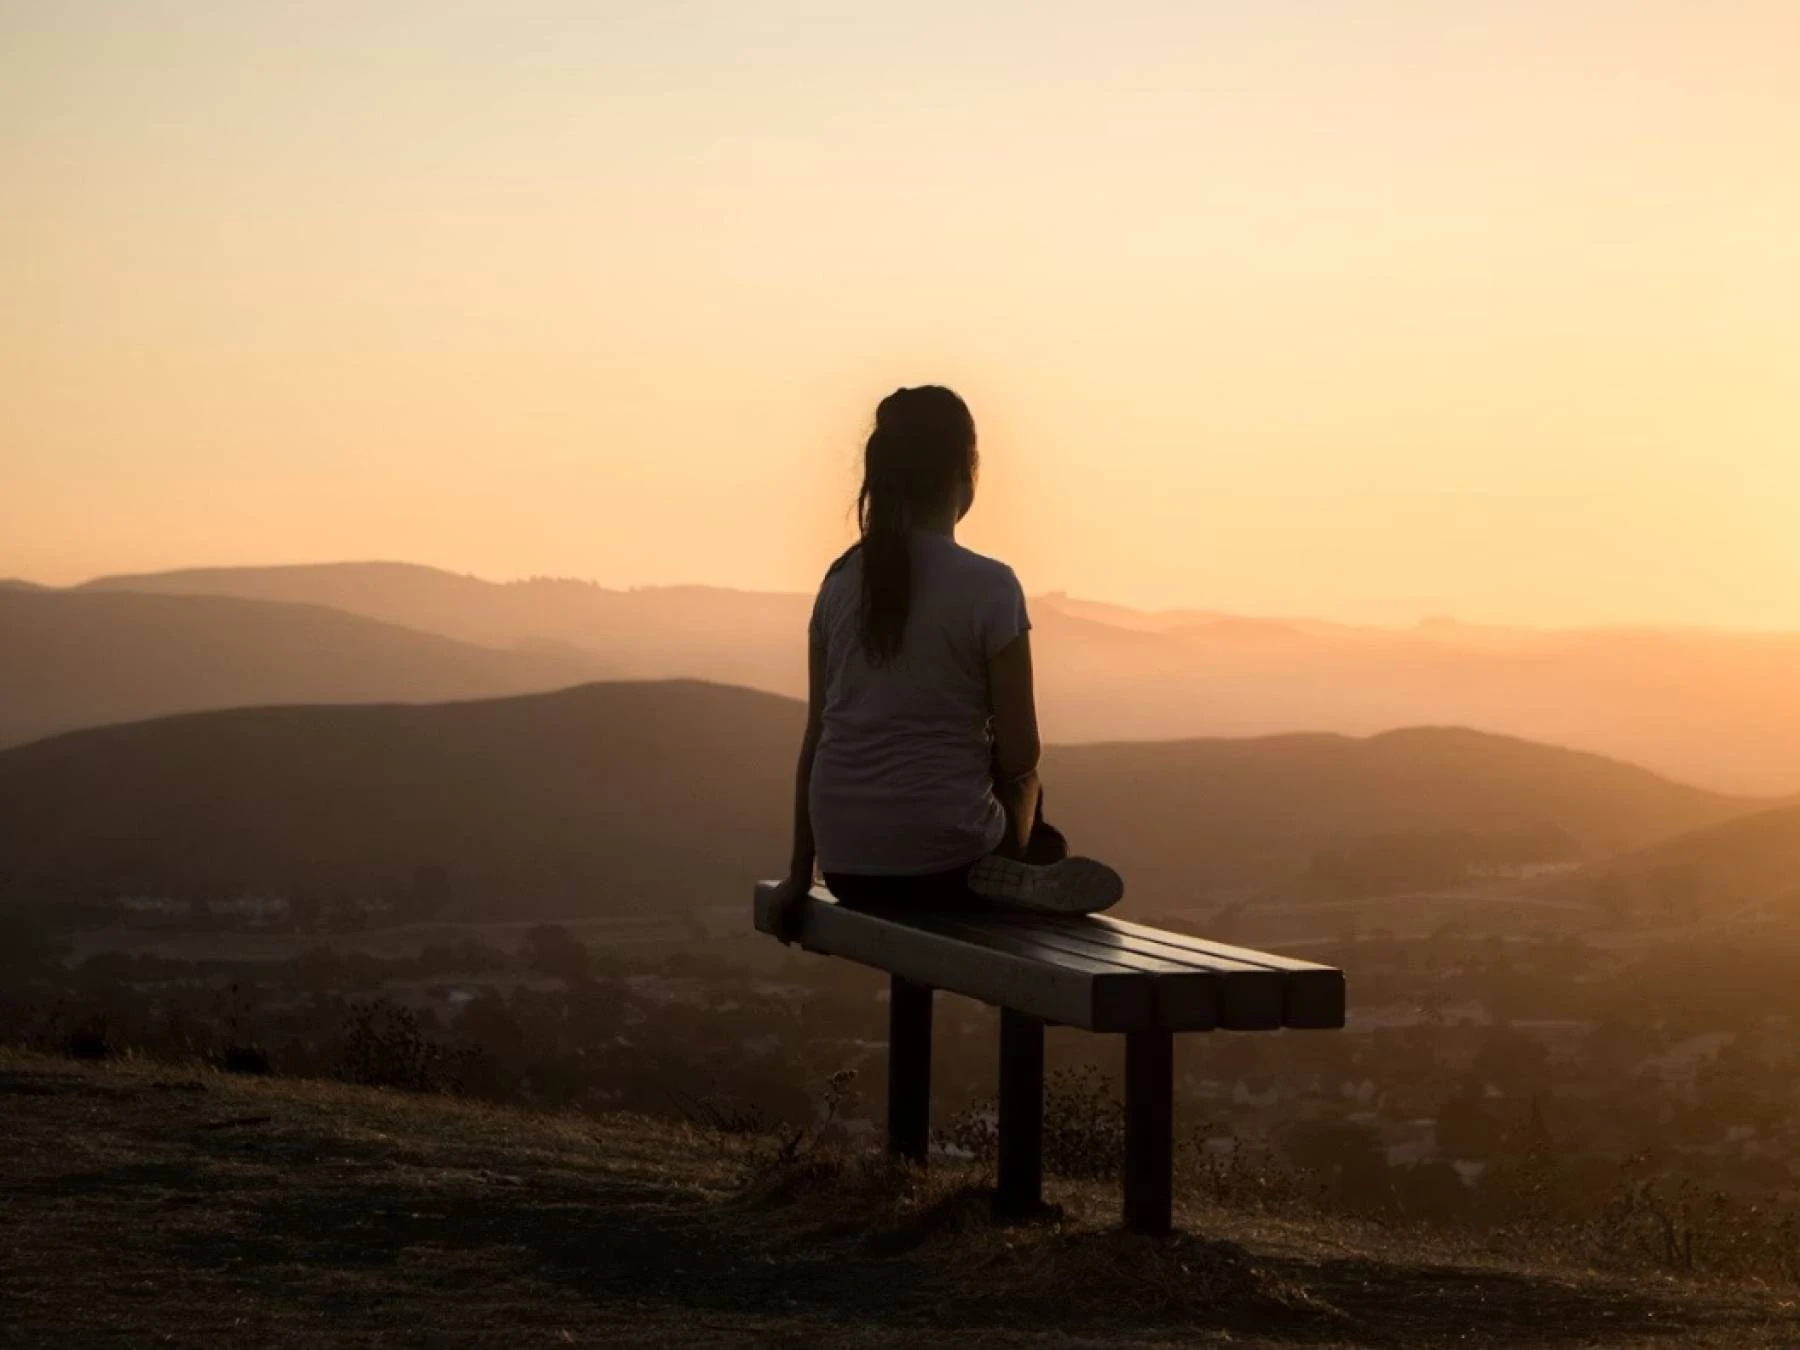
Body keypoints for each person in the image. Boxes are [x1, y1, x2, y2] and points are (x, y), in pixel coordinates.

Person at [765, 385, 1122, 941]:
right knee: (1033, 799)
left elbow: (817, 739)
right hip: (947, 865)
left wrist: (797, 875)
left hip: (847, 869)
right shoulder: (991, 587)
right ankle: (1021, 870)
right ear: (967, 471)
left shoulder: (838, 582)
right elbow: (1021, 752)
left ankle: (1017, 868)